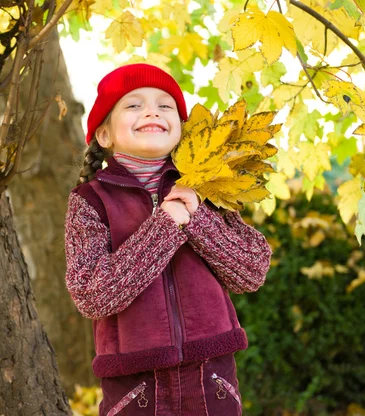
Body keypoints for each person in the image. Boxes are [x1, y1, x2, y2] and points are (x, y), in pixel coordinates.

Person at [64, 63, 272, 416]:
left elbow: (251, 271)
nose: (152, 111)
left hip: (212, 379)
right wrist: (166, 226)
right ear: (103, 135)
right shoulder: (91, 200)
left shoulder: (205, 188)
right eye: (133, 105)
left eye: (165, 105)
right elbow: (91, 295)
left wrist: (197, 217)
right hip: (135, 386)